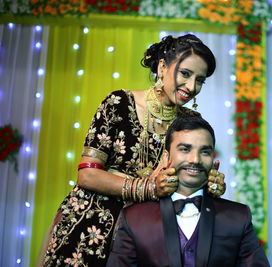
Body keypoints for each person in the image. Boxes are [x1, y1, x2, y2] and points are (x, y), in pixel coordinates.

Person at [42, 34, 226, 266]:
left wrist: (207, 183)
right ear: (162, 66)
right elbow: (87, 174)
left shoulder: (191, 123)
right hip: (94, 225)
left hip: (148, 234)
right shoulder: (119, 103)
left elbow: (182, 181)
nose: (191, 87)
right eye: (185, 74)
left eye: (199, 80)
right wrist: (148, 188)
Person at [107, 115, 270, 267]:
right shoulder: (134, 217)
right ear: (166, 157)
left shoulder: (237, 216)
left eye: (204, 151)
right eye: (185, 149)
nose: (195, 160)